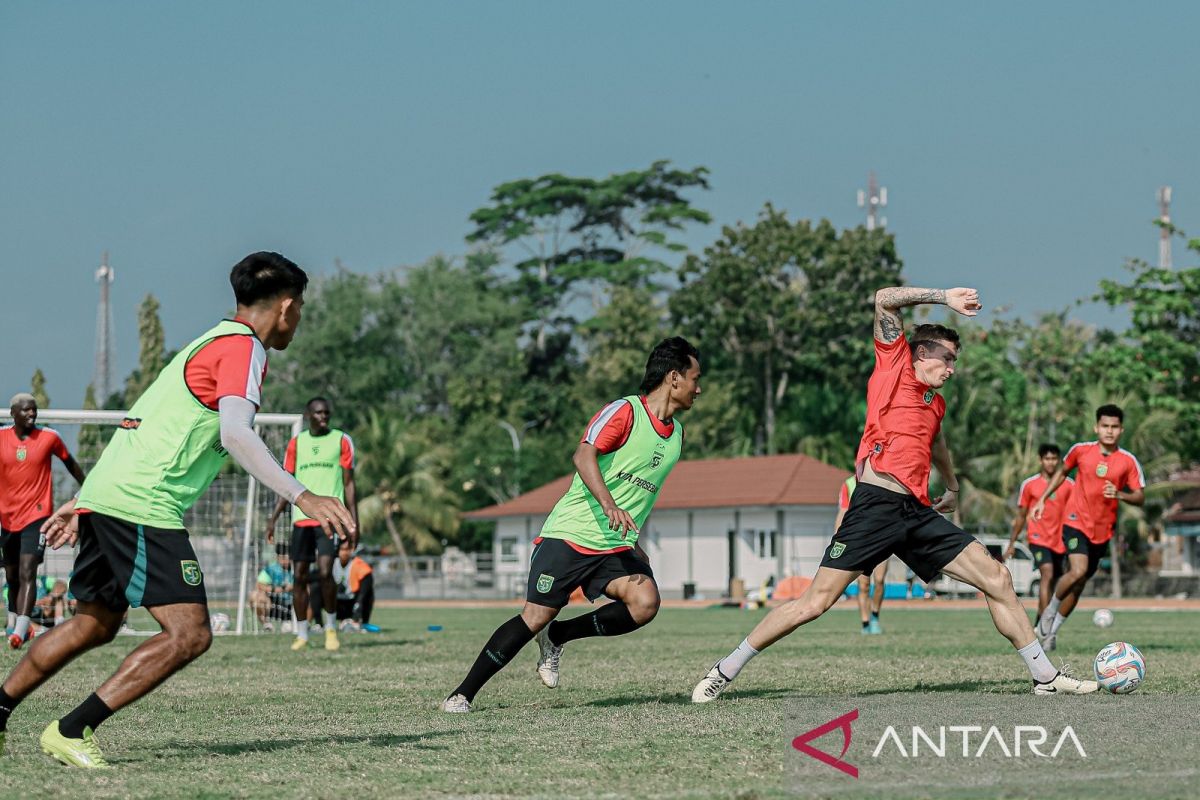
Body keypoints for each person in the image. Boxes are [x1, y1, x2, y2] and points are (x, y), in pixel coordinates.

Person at [0, 252, 356, 768]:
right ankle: (72, 730)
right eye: (299, 307)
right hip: (144, 505)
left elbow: (141, 424)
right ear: (284, 307)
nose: (297, 319)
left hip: (114, 496)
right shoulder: (244, 348)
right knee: (190, 634)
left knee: (94, 623)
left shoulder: (206, 340)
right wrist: (304, 494)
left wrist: (85, 499)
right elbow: (236, 435)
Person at [691, 286, 1097, 703]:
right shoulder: (894, 365)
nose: (953, 368)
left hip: (916, 512)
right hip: (876, 505)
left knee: (997, 577)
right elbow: (884, 298)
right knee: (814, 603)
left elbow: (937, 444)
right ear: (921, 354)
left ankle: (1044, 676)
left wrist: (952, 486)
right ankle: (724, 670)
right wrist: (944, 298)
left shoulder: (933, 403)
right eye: (948, 358)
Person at [441, 336, 701, 713]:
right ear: (674, 378)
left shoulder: (676, 435)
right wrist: (609, 506)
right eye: (695, 378)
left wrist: (634, 538)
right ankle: (462, 694)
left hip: (614, 543)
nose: (699, 388)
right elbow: (583, 455)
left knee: (645, 604)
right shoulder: (625, 412)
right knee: (534, 616)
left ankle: (559, 635)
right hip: (571, 533)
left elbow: (641, 492)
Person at [1032, 406, 1144, 650]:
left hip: (1102, 531)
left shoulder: (1128, 461)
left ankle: (1051, 633)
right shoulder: (1081, 451)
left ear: (1121, 430)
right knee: (1077, 570)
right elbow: (1061, 473)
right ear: (1096, 427)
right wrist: (1042, 499)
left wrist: (1120, 494)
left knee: (1080, 584)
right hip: (1074, 521)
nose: (1109, 431)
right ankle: (1047, 615)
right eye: (1105, 426)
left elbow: (1140, 497)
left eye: (1114, 427)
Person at [267, 397, 358, 652]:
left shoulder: (341, 439)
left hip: (329, 520)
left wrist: (354, 522)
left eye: (327, 413)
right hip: (301, 521)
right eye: (318, 413)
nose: (323, 417)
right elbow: (287, 483)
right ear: (308, 415)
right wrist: (273, 519)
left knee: (326, 572)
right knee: (299, 576)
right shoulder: (297, 443)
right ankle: (302, 633)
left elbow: (349, 484)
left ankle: (330, 629)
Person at [0, 393, 87, 648]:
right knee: (12, 575)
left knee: (29, 570)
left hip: (37, 516)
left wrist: (88, 492)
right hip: (7, 518)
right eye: (26, 411)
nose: (31, 414)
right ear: (13, 413)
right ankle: (14, 620)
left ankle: (21, 629)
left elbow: (71, 464)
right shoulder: (2, 438)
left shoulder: (49, 438)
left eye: (34, 410)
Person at [1005, 444, 1073, 620]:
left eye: (1054, 459)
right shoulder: (1029, 485)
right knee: (1047, 573)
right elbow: (1021, 516)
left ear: (1059, 461)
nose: (1050, 463)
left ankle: (1041, 618)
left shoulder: (1069, 485)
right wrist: (1012, 543)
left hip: (1060, 540)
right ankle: (1045, 621)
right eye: (1047, 459)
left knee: (1056, 581)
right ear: (1040, 460)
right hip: (1038, 537)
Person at [839, 476, 888, 634]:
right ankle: (865, 623)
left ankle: (875, 616)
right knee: (863, 585)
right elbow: (842, 513)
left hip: (883, 538)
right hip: (860, 540)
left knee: (879, 581)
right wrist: (839, 539)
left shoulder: (883, 479)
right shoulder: (849, 484)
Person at [332, 539, 374, 630]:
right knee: (316, 588)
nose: (345, 552)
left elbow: (367, 580)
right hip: (336, 602)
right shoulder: (331, 563)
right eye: (342, 549)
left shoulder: (357, 563)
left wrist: (357, 609)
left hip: (352, 600)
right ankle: (320, 624)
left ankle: (359, 621)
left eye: (348, 549)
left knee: (368, 590)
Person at [251, 548, 293, 632]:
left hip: (292, 604)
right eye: (283, 558)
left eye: (288, 558)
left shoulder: (297, 568)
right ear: (278, 558)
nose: (286, 561)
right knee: (255, 596)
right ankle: (267, 625)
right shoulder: (270, 569)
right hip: (274, 603)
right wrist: (276, 589)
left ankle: (295, 623)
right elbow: (259, 585)